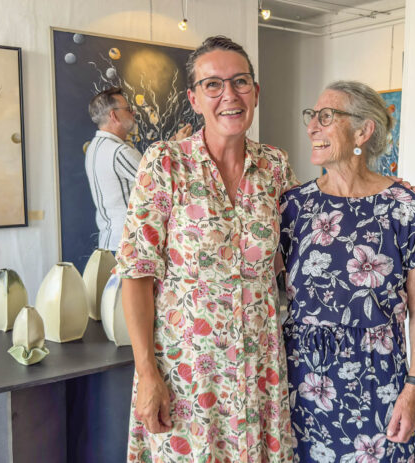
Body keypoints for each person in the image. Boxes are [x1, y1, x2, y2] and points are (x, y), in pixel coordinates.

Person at [115, 36, 296, 462]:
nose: (229, 95)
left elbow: (298, 253)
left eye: (240, 82)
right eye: (213, 85)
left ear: (256, 92)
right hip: (189, 372)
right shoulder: (164, 163)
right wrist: (147, 373)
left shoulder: (275, 167)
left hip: (260, 368)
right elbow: (136, 273)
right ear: (195, 99)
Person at [279, 81, 415, 462]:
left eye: (326, 117)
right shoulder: (293, 206)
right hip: (303, 378)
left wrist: (414, 386)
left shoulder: (404, 206)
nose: (312, 127)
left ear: (363, 131)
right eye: (311, 117)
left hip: (379, 376)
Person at [85, 87, 192, 250]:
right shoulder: (119, 152)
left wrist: (171, 144)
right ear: (113, 115)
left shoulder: (95, 147)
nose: (133, 113)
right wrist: (179, 146)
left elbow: (149, 168)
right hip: (126, 246)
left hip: (110, 242)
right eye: (128, 109)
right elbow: (159, 181)